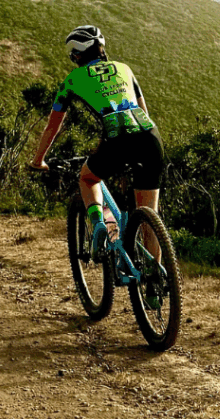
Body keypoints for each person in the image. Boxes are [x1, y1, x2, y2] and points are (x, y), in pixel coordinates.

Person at [30, 25, 164, 258]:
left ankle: (100, 224)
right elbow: (143, 110)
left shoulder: (71, 81)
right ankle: (155, 286)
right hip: (151, 137)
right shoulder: (125, 68)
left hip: (117, 140)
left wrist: (38, 160)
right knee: (149, 218)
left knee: (88, 177)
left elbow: (53, 126)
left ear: (76, 55)